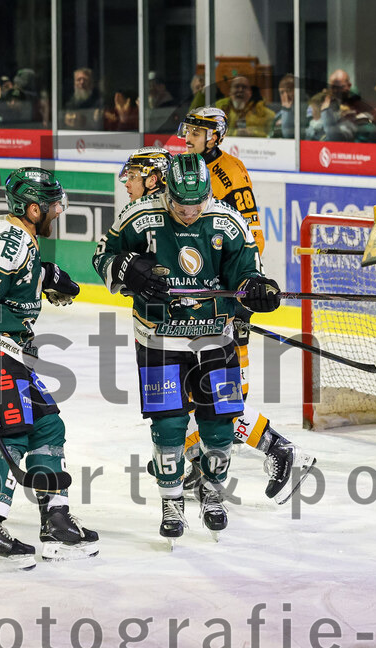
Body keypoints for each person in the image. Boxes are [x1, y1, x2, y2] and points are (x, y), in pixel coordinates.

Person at [93, 153, 284, 543]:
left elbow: (247, 275)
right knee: (169, 426)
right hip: (160, 338)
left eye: (197, 206)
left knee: (218, 426)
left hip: (216, 337)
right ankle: (171, 500)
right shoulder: (138, 216)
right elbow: (102, 257)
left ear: (208, 197)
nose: (188, 213)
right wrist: (129, 267)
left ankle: (212, 493)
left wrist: (256, 290)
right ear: (167, 193)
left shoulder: (228, 222)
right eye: (181, 206)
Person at [0, 167, 96, 572]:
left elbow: (7, 282)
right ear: (32, 208)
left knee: (48, 428)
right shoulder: (9, 242)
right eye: (51, 206)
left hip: (10, 351)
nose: (58, 212)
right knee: (9, 436)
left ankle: (57, 521)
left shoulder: (19, 237)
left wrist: (47, 275)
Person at [180, 108, 316, 500]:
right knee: (190, 389)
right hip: (197, 298)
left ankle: (277, 447)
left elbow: (249, 236)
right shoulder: (182, 167)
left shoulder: (230, 173)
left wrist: (244, 294)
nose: (188, 136)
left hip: (224, 298)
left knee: (218, 393)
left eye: (196, 131)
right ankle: (200, 461)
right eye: (186, 129)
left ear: (215, 136)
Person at [271, 73, 296, 139]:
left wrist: (287, 110)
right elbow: (270, 135)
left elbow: (288, 135)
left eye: (289, 90)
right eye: (282, 92)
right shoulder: (278, 115)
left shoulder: (307, 111)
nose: (286, 95)